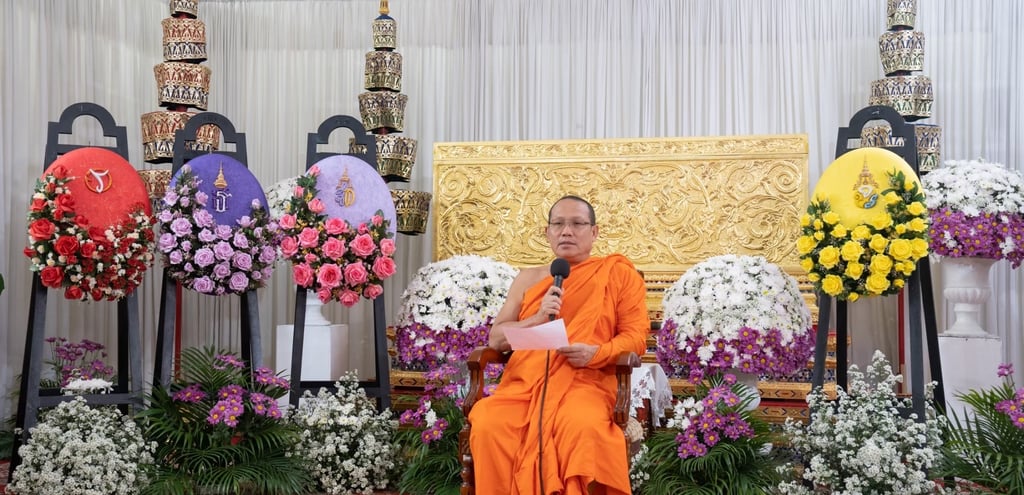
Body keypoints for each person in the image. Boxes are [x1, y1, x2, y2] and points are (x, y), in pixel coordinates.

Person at [468, 195, 650, 495]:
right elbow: (496, 339)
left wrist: (596, 353)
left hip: (586, 385)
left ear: (594, 232)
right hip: (523, 388)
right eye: (558, 224)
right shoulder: (527, 279)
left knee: (581, 426)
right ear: (547, 232)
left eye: (577, 224)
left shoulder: (618, 275)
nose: (567, 231)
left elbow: (635, 338)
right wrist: (537, 318)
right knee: (489, 422)